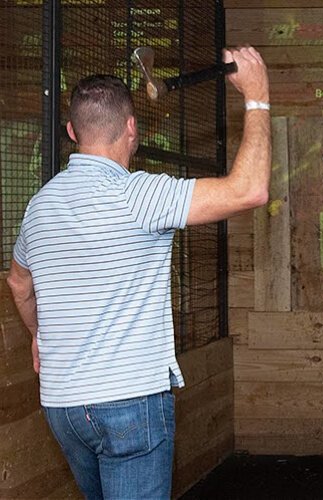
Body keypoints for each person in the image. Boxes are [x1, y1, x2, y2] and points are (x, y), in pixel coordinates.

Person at [6, 46, 270, 499]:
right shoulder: (138, 195)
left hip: (63, 405)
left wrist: (37, 334)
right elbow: (248, 191)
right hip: (129, 402)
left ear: (71, 131)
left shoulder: (37, 208)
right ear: (131, 128)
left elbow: (19, 282)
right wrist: (257, 97)